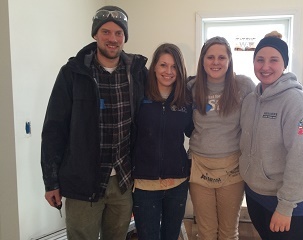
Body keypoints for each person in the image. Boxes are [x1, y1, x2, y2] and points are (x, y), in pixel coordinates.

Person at [40, 5, 148, 240]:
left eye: (119, 33)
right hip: (83, 183)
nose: (113, 39)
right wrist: (51, 182)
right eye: (106, 32)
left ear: (124, 37)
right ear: (95, 34)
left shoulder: (137, 73)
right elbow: (53, 130)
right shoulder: (73, 73)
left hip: (122, 181)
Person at [239, 31, 303, 240]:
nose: (265, 67)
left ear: (284, 64)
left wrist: (285, 207)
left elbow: (301, 157)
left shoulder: (296, 102)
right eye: (260, 60)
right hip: (256, 196)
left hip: (286, 204)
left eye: (274, 60)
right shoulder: (250, 101)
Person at [188, 36, 255, 240]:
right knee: (206, 232)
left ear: (229, 60)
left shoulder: (243, 85)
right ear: (202, 60)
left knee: (228, 232)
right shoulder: (191, 86)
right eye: (210, 57)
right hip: (199, 166)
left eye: (221, 57)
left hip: (232, 167)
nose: (215, 62)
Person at [132, 43, 193, 240]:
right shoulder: (140, 95)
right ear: (154, 67)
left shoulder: (185, 99)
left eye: (174, 67)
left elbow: (193, 131)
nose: (168, 72)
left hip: (177, 183)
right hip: (145, 185)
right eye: (163, 65)